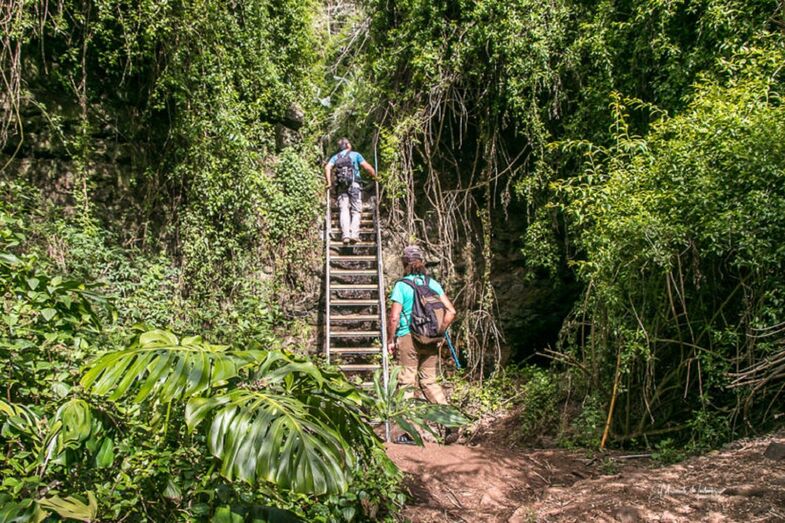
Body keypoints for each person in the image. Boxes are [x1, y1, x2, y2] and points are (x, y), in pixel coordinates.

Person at [387, 245, 457, 405]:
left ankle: (410, 428)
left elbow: (394, 317)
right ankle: (450, 422)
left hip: (409, 338)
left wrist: (391, 340)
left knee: (406, 383)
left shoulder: (401, 285)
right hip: (431, 339)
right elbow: (451, 311)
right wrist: (439, 333)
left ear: (404, 263)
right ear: (422, 263)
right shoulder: (432, 284)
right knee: (429, 382)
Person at [324, 138, 376, 245]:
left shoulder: (335, 157)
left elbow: (327, 167)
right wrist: (375, 176)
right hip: (355, 185)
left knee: (344, 210)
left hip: (341, 187)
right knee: (356, 211)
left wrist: (329, 183)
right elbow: (366, 167)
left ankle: (346, 235)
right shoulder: (355, 155)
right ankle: (354, 235)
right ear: (347, 145)